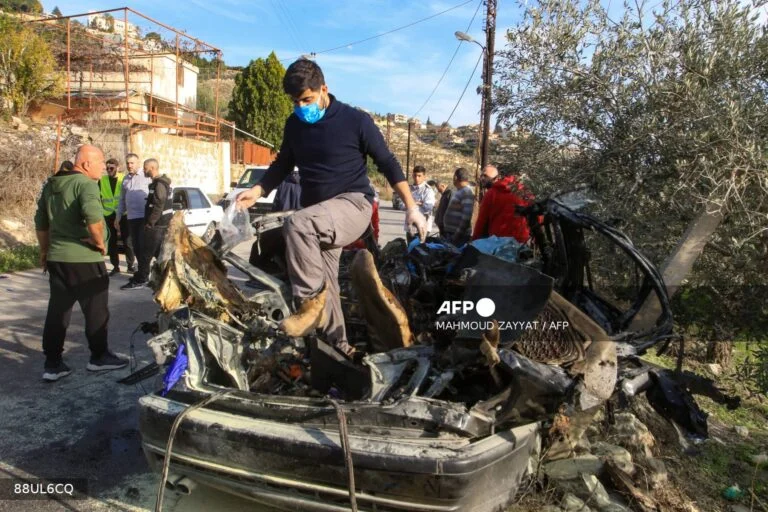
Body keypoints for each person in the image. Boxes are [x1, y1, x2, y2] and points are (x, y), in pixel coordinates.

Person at [236, 59, 426, 356]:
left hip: (354, 204)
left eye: (307, 99)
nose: (301, 107)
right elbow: (283, 164)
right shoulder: (294, 125)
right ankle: (338, 346)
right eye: (295, 102)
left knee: (297, 224)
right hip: (320, 215)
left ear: (324, 88)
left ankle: (308, 307)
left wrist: (412, 207)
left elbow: (387, 162)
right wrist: (257, 190)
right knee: (328, 285)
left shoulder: (355, 120)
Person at [34, 145, 128, 382]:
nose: (102, 169)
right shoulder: (85, 184)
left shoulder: (52, 184)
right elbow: (94, 218)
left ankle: (53, 363)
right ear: (86, 164)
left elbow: (41, 222)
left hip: (58, 258)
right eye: (99, 164)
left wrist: (45, 251)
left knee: (58, 311)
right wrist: (101, 243)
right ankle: (99, 356)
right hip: (84, 259)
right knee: (96, 310)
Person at [121, 159, 172, 290]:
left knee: (145, 254)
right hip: (159, 225)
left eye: (145, 168)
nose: (143, 170)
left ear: (152, 168)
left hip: (157, 226)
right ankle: (167, 276)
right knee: (158, 253)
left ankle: (142, 279)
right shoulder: (158, 183)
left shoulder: (159, 184)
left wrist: (150, 222)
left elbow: (159, 203)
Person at [245, 169, 302, 285]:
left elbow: (276, 206)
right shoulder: (309, 182)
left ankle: (257, 277)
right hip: (300, 226)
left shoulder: (285, 181)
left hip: (280, 224)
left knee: (261, 245)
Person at [472, 171, 535, 243]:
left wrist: (474, 241)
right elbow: (537, 214)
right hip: (521, 239)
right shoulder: (524, 192)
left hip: (498, 240)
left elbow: (481, 221)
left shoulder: (491, 193)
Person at [115, 153, 147, 277]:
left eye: (132, 163)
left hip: (144, 217)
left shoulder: (146, 176)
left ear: (138, 163)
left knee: (142, 245)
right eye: (127, 163)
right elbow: (122, 199)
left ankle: (144, 271)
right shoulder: (126, 179)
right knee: (132, 244)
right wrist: (118, 217)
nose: (129, 165)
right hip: (131, 217)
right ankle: (136, 269)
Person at [100, 158, 133, 275]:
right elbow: (99, 197)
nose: (109, 170)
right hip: (108, 215)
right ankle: (115, 267)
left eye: (111, 168)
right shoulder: (102, 180)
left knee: (127, 241)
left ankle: (130, 265)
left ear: (117, 168)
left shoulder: (124, 179)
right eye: (107, 168)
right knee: (112, 242)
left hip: (123, 214)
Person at [399, 165, 435, 240]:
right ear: (412, 175)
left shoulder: (427, 190)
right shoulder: (409, 189)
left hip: (423, 226)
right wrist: (418, 203)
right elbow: (401, 205)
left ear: (424, 176)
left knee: (420, 249)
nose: (417, 178)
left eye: (419, 176)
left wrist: (411, 203)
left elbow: (428, 207)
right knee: (410, 249)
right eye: (415, 175)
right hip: (410, 227)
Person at [442, 167, 475, 246]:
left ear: (455, 177)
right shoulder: (459, 191)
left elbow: (466, 218)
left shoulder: (466, 192)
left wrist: (456, 235)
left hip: (458, 236)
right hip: (451, 233)